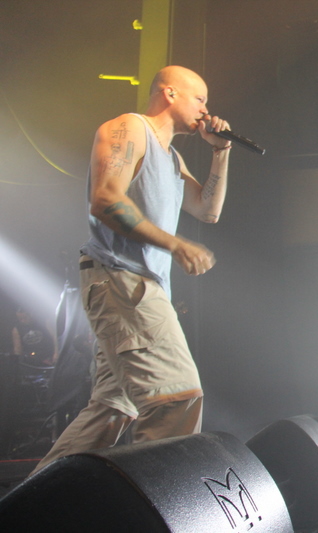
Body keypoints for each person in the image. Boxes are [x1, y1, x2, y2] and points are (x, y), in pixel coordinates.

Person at [31, 65, 233, 475]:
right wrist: (175, 243)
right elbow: (106, 199)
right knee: (177, 399)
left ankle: (33, 500)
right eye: (200, 99)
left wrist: (220, 151)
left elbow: (208, 210)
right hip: (121, 278)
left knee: (111, 410)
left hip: (136, 286)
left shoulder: (172, 159)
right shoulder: (129, 128)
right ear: (170, 93)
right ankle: (153, 500)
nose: (205, 109)